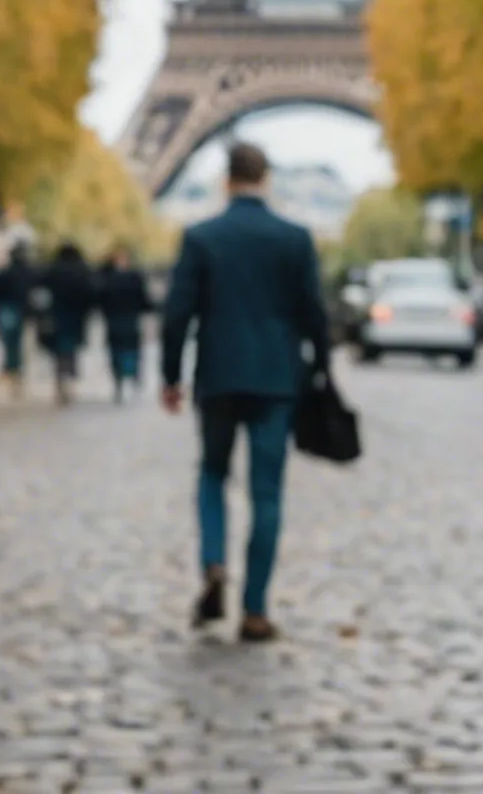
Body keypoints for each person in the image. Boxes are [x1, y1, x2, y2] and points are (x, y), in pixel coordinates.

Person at [159, 140, 333, 645]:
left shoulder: (201, 237)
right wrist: (321, 370)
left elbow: (177, 315)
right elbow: (314, 315)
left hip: (218, 375)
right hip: (277, 380)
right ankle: (255, 609)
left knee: (212, 472)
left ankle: (214, 562)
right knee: (267, 492)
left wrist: (172, 376)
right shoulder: (295, 238)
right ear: (266, 179)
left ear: (226, 180)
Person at [41, 242, 98, 406]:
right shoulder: (83, 271)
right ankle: (69, 380)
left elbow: (42, 292)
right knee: (71, 350)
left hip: (56, 316)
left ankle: (61, 380)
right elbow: (91, 294)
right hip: (76, 318)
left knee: (59, 351)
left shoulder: (53, 271)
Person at [99, 246, 153, 402]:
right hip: (130, 321)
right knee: (131, 351)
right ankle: (132, 378)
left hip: (114, 322)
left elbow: (101, 301)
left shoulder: (107, 279)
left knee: (117, 352)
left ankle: (119, 381)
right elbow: (145, 301)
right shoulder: (134, 278)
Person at [0, 243, 37, 396]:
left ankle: (12, 369)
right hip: (21, 311)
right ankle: (16, 370)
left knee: (10, 342)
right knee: (20, 343)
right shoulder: (30, 274)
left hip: (8, 310)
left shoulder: (4, 273)